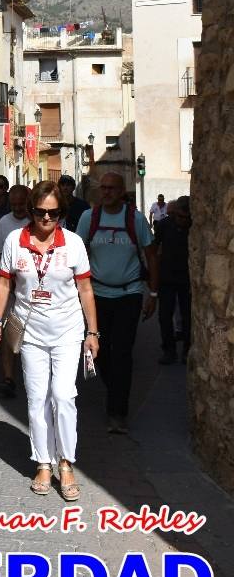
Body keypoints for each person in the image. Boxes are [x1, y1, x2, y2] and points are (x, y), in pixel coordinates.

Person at [0, 181, 99, 501]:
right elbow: (5, 286)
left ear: (61, 212)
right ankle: (43, 462)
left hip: (67, 330)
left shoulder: (73, 243)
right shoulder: (14, 241)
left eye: (54, 213)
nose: (47, 219)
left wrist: (92, 332)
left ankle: (66, 462)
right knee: (37, 399)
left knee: (63, 396)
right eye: (40, 212)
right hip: (31, 331)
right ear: (32, 211)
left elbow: (86, 290)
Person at [76, 171, 158, 434]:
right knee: (99, 351)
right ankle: (117, 389)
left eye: (112, 188)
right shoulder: (89, 218)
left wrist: (153, 294)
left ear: (122, 191)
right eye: (104, 188)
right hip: (97, 296)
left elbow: (151, 256)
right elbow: (77, 254)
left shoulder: (135, 219)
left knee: (122, 352)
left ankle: (117, 412)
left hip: (129, 294)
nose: (107, 192)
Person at [0, 184, 31, 398]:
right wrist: (7, 278)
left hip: (32, 289)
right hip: (10, 285)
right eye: (13, 204)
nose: (17, 208)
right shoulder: (4, 222)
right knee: (9, 332)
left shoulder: (36, 221)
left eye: (21, 204)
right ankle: (9, 378)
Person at [156, 196, 192, 364]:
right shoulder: (163, 226)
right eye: (179, 217)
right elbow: (154, 251)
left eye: (185, 218)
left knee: (187, 316)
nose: (182, 221)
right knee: (164, 316)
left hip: (187, 278)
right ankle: (169, 350)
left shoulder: (193, 227)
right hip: (167, 277)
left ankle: (187, 350)